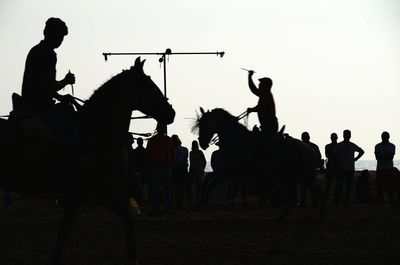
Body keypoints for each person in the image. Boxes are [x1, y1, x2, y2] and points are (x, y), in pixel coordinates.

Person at [21, 17, 77, 143]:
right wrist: (66, 81)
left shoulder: (36, 50)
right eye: (61, 36)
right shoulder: (48, 54)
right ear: (54, 35)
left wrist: (60, 97)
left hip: (31, 102)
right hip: (40, 106)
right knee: (72, 133)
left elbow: (41, 85)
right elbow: (49, 86)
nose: (61, 40)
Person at [146, 122, 174, 215]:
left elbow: (148, 154)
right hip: (162, 167)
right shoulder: (168, 140)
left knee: (157, 189)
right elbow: (172, 154)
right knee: (165, 189)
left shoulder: (153, 140)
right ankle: (165, 208)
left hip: (158, 167)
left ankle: (158, 207)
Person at [334, 129, 364, 205]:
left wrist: (356, 159)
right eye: (346, 134)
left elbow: (362, 151)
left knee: (346, 186)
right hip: (343, 168)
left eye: (348, 134)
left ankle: (344, 201)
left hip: (348, 168)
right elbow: (335, 157)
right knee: (341, 186)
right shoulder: (341, 145)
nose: (347, 136)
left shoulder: (346, 145)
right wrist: (355, 159)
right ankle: (341, 200)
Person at [246, 70, 278, 138]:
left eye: (261, 84)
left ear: (265, 86)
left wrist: (251, 109)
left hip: (269, 127)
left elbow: (261, 108)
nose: (259, 85)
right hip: (267, 126)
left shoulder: (266, 95)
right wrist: (249, 77)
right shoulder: (265, 95)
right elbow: (254, 90)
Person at [299, 131, 322, 207]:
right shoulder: (314, 146)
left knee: (304, 187)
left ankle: (305, 202)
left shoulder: (300, 146)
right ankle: (313, 202)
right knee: (311, 186)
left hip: (305, 169)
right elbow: (319, 157)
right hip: (310, 169)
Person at [374, 131, 396, 205]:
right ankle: (381, 201)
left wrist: (382, 156)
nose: (384, 138)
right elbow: (378, 157)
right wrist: (386, 156)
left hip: (387, 168)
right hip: (382, 168)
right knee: (380, 186)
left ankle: (389, 201)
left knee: (388, 185)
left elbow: (390, 157)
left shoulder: (390, 146)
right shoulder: (378, 146)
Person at [171, 134, 189, 208]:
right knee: (180, 187)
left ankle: (177, 202)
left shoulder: (172, 150)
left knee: (176, 187)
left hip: (177, 169)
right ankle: (179, 202)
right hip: (181, 169)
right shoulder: (184, 149)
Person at [325, 133, 339, 198]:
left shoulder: (328, 146)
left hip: (333, 166)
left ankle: (328, 196)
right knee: (330, 183)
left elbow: (327, 155)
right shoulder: (339, 146)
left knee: (329, 183)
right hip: (334, 166)